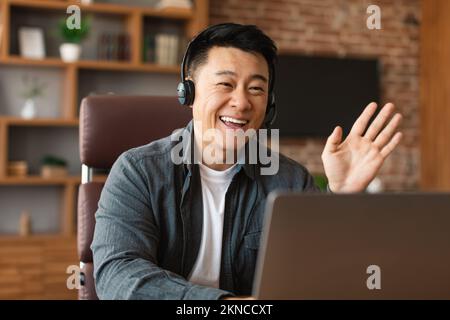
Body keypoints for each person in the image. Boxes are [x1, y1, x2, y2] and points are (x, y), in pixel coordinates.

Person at [91, 23, 402, 299]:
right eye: (225, 84)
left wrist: (342, 194)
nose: (241, 102)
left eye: (256, 89)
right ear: (188, 92)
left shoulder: (290, 181)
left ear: (269, 105)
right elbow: (118, 276)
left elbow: (321, 274)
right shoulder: (137, 172)